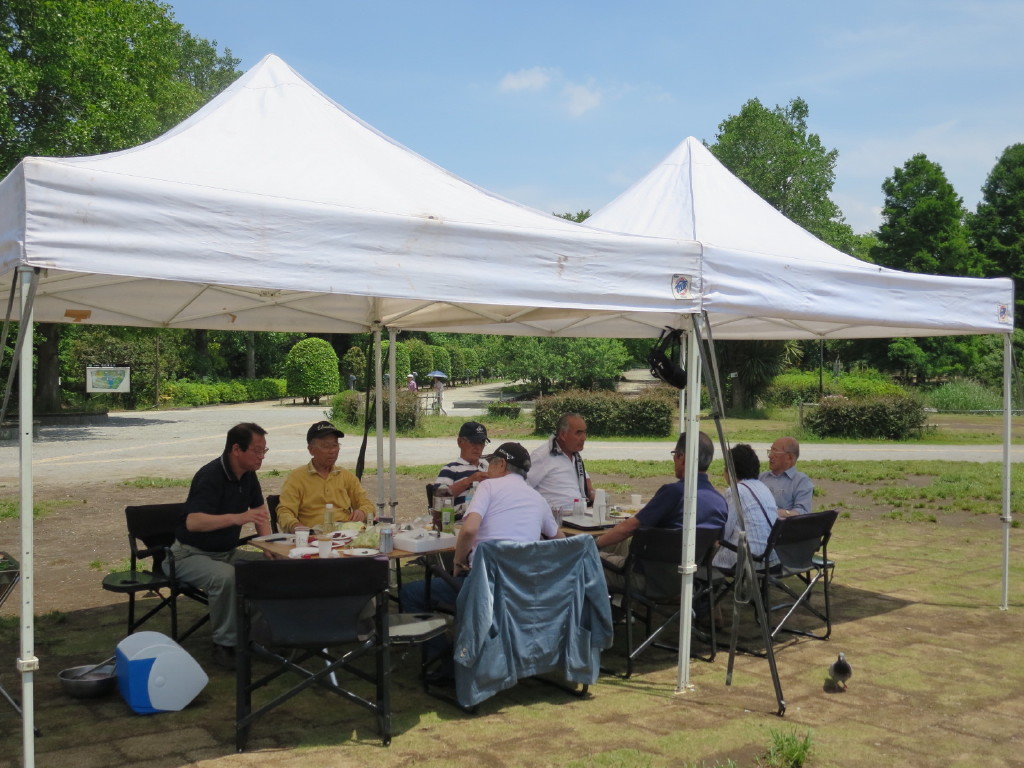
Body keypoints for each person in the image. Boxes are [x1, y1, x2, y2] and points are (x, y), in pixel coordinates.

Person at [399, 442, 562, 616]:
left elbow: (469, 530)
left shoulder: (488, 486)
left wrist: (458, 562)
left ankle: (442, 643)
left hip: (484, 585)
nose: (487, 468)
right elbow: (561, 541)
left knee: (410, 593)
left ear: (501, 464)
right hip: (523, 588)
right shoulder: (538, 498)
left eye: (491, 463)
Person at [169, 422, 272, 669]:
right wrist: (237, 518)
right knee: (226, 578)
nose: (261, 457)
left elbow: (259, 513)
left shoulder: (248, 475)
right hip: (187, 555)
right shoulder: (210, 475)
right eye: (257, 451)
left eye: (264, 451)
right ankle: (224, 645)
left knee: (271, 569)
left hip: (226, 552)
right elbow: (193, 522)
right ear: (236, 449)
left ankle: (257, 638)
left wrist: (270, 548)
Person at [596, 431, 728, 557]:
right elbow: (716, 544)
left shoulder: (674, 493)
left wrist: (594, 544)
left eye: (675, 454)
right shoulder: (720, 502)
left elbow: (629, 528)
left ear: (682, 457)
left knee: (587, 563)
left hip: (646, 574)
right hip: (693, 576)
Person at [275, 421, 373, 533]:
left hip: (345, 533)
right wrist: (295, 526)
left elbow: (367, 504)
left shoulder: (346, 475)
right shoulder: (297, 478)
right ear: (311, 450)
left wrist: (362, 512)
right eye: (326, 446)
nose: (332, 451)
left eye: (335, 445)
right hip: (314, 535)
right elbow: (284, 511)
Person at [713, 444, 779, 571]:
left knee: (701, 556)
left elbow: (724, 532)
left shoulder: (736, 491)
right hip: (771, 558)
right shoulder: (762, 487)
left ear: (730, 470)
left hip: (749, 559)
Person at [528, 412, 594, 510]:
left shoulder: (574, 455)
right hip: (555, 520)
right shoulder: (542, 456)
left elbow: (586, 482)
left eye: (585, 432)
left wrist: (594, 495)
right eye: (579, 433)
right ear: (563, 435)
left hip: (578, 516)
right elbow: (522, 487)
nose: (584, 438)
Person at [434, 421, 490, 508]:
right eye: (473, 442)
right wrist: (469, 481)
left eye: (482, 442)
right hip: (461, 519)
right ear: (460, 442)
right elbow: (438, 503)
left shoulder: (487, 466)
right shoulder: (450, 470)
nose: (478, 447)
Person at [759, 436, 813, 518]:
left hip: (783, 528)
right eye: (770, 451)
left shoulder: (800, 481)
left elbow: (803, 513)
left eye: (775, 452)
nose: (770, 456)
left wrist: (779, 513)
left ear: (789, 458)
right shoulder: (761, 477)